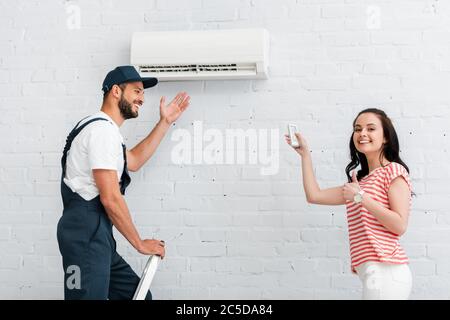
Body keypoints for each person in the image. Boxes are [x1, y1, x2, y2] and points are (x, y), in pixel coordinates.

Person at [57, 65, 190, 300]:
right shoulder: (101, 132)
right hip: (85, 236)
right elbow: (110, 198)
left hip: (97, 236)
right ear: (116, 91)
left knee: (139, 296)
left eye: (143, 94)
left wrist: (165, 122)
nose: (141, 98)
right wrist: (139, 243)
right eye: (136, 91)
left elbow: (135, 160)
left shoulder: (102, 130)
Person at [285, 108, 413, 300]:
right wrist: (305, 155)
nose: (362, 134)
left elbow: (399, 225)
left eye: (371, 129)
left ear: (385, 137)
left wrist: (361, 197)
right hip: (372, 274)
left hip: (387, 272)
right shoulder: (359, 183)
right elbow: (314, 195)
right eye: (358, 128)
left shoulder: (394, 171)